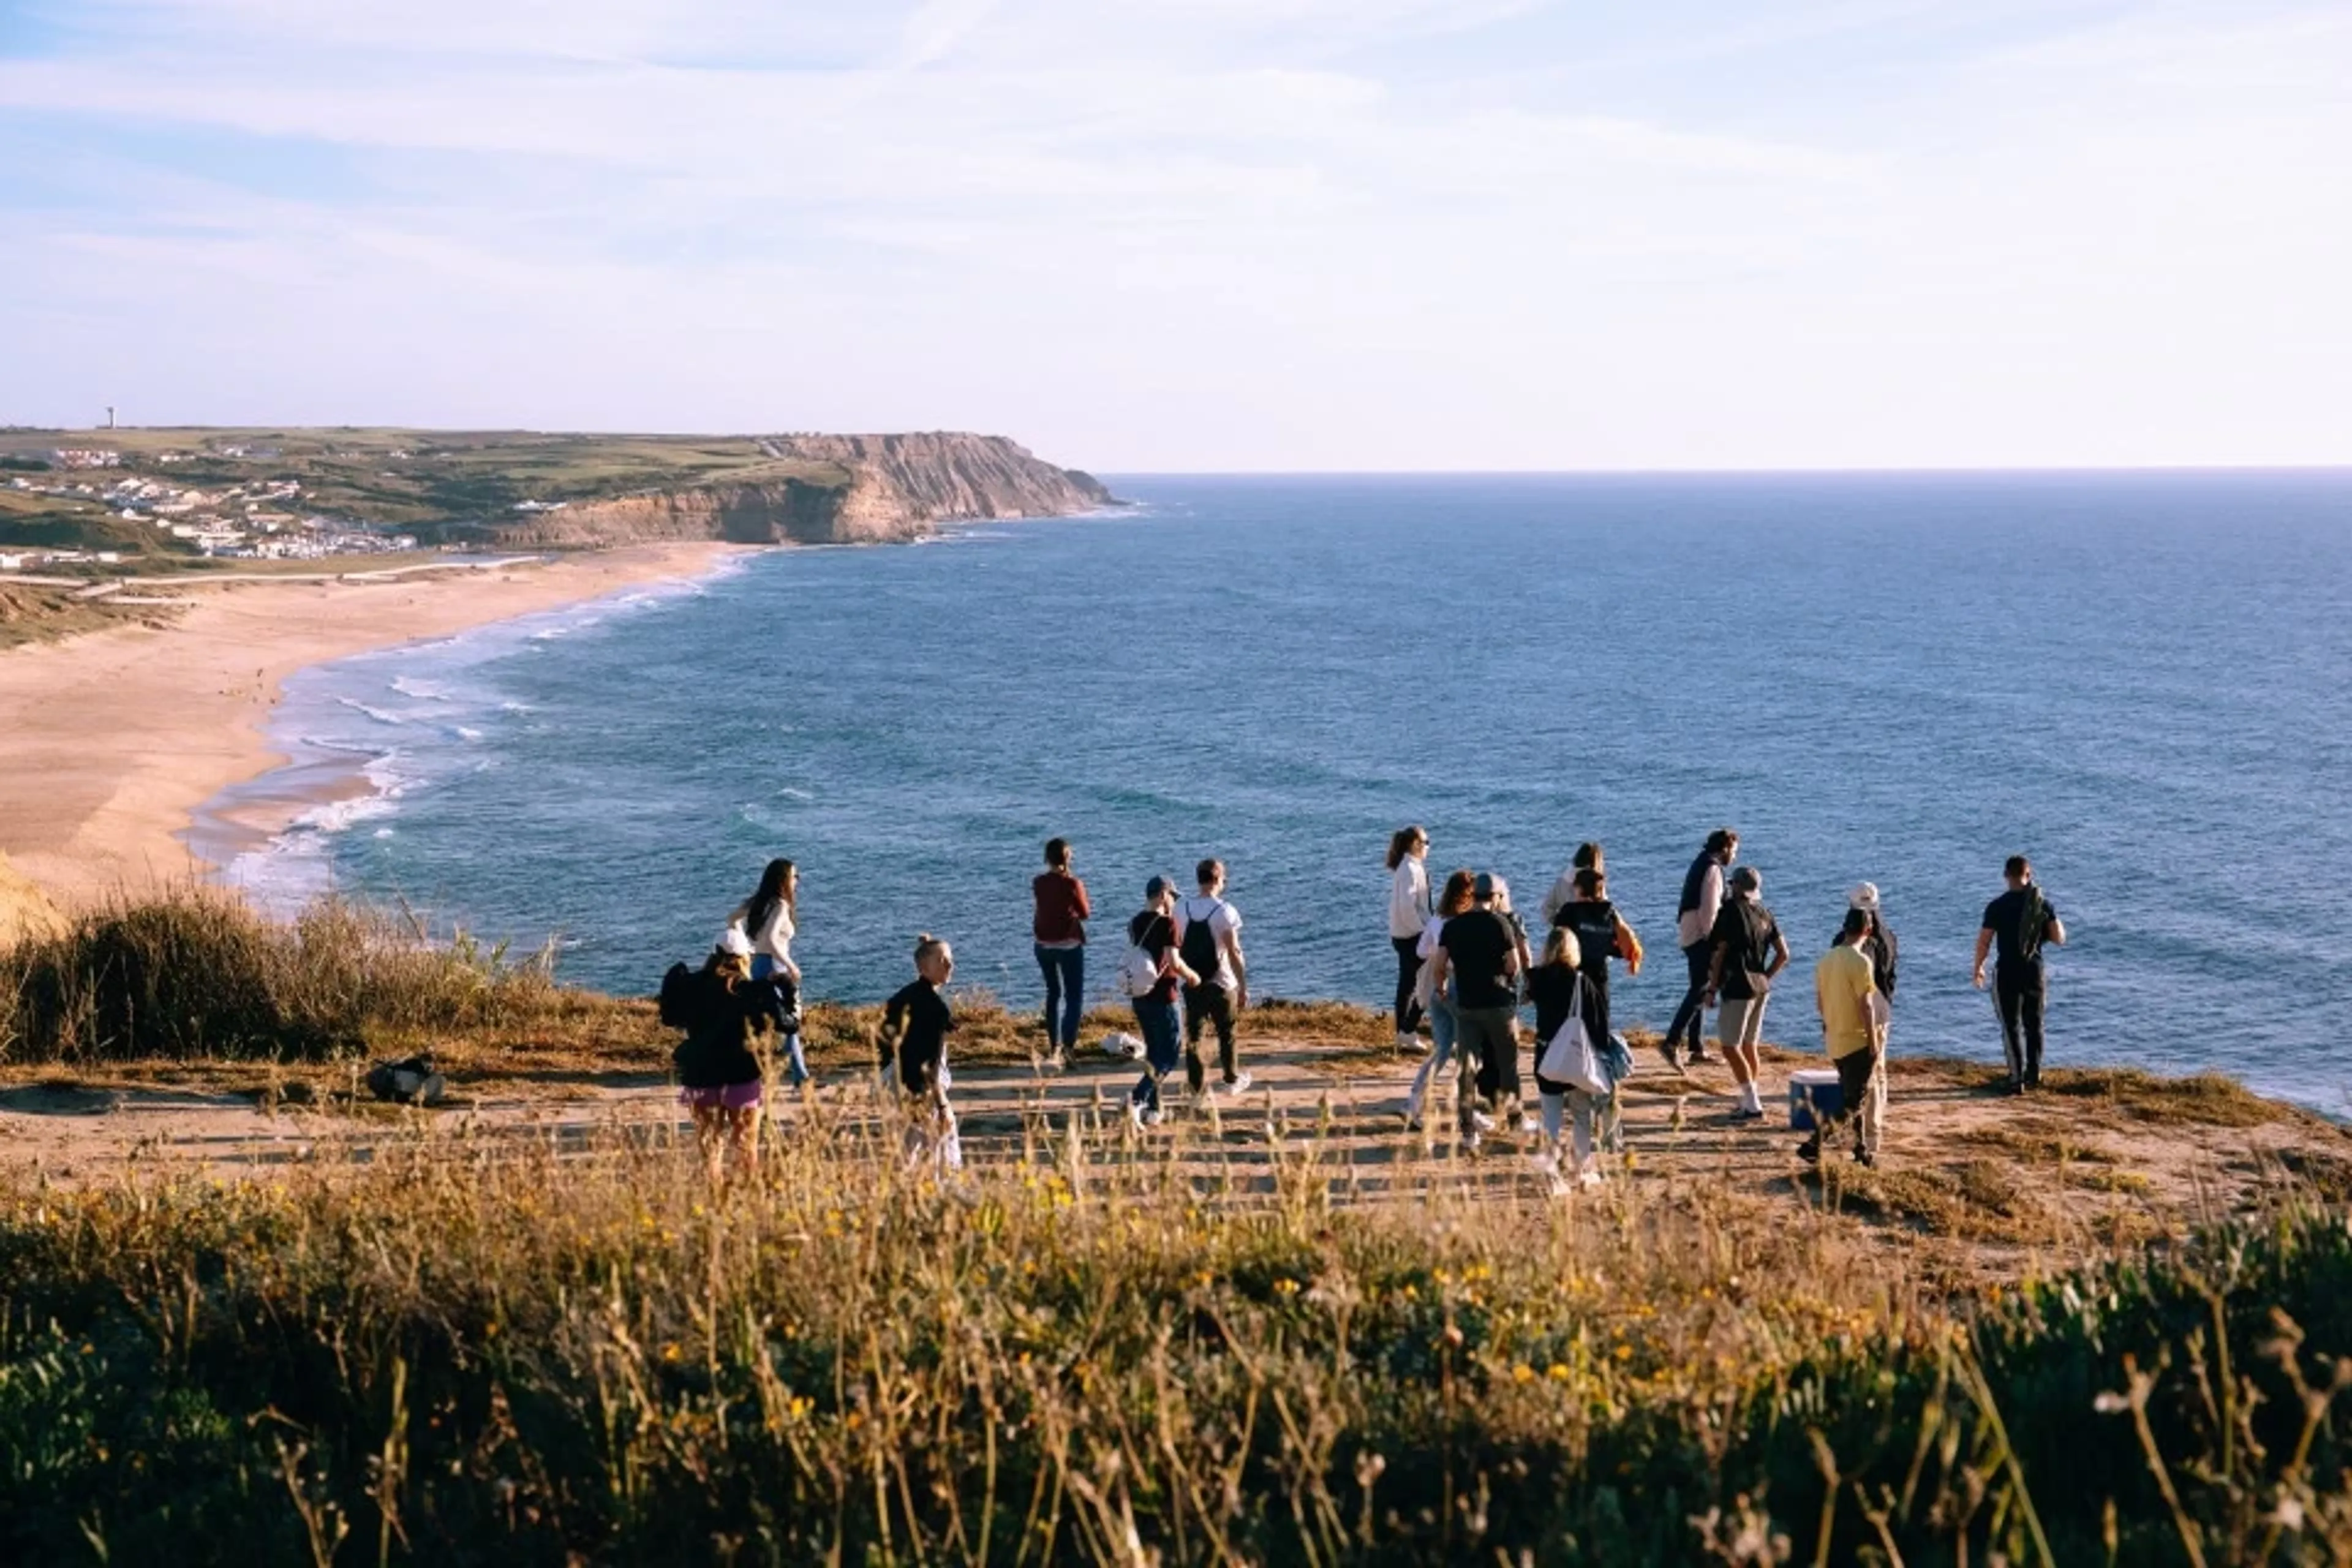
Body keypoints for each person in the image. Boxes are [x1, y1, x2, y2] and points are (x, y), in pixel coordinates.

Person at [1429, 872, 1523, 1153]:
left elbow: (1439, 964)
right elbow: (1513, 965)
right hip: (1498, 1004)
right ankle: (1515, 1119)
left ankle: (1468, 1129)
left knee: (1466, 1068)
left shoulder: (1454, 926)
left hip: (1467, 1006)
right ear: (1494, 898)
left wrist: (1442, 988)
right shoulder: (1501, 924)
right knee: (1508, 1064)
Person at [673, 946, 769, 1181]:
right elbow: (768, 1025)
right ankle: (749, 1194)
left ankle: (715, 1194)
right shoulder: (749, 992)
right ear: (745, 959)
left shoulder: (693, 989)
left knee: (709, 1140)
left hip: (701, 1073)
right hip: (741, 1072)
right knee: (746, 1141)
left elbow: (673, 1017)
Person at [1973, 855, 2066, 1094]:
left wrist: (1978, 968)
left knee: (2011, 1025)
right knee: (2034, 1023)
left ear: (2006, 876)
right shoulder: (2042, 904)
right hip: (2034, 969)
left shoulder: (1997, 906)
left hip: (2007, 970)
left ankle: (2016, 1078)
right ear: (2029, 874)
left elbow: (1984, 942)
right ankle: (2034, 1074)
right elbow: (2059, 939)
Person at [1803, 908, 1888, 1166]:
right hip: (1858, 1040)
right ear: (1868, 930)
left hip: (1836, 1040)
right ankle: (1813, 1143)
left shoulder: (1825, 961)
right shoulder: (1862, 962)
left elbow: (1820, 1003)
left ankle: (1861, 1151)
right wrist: (1874, 1042)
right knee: (1854, 1102)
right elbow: (1867, 1005)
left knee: (1854, 1096)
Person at [1705, 864, 1788, 1121]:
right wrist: (1765, 976)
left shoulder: (1730, 912)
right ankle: (1750, 1100)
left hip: (1738, 986)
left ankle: (1752, 1105)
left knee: (1730, 1046)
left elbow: (1719, 953)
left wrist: (1712, 988)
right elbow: (1784, 954)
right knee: (1749, 1045)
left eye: (1732, 885)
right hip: (1761, 986)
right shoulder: (1765, 913)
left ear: (1738, 887)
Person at [1527, 924, 1607, 1190]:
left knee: (1550, 1117)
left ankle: (1551, 1177)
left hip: (1546, 1054)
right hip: (1574, 1056)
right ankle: (1580, 1173)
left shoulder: (1536, 979)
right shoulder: (1582, 982)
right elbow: (1598, 1024)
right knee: (1582, 1114)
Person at [878, 934, 962, 1170]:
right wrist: (942, 1104)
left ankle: (900, 1193)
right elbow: (931, 1064)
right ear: (924, 968)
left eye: (950, 959)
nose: (950, 965)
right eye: (942, 960)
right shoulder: (935, 1009)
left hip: (894, 1080)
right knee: (943, 1144)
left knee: (906, 1148)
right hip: (918, 1086)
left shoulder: (905, 997)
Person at [1404, 869, 1478, 1130]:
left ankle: (1415, 1098)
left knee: (1443, 1049)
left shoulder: (1437, 920)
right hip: (1457, 986)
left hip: (1437, 988)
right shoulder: (1463, 924)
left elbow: (1421, 951)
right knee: (1469, 1050)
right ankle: (1466, 1109)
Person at [1126, 876, 1200, 1128]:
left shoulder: (1136, 922)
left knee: (1153, 1053)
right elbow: (1174, 961)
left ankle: (1154, 1108)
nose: (1173, 902)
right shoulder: (1169, 924)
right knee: (1168, 1056)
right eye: (1172, 897)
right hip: (1163, 996)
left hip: (1140, 995)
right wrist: (1193, 976)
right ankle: (1136, 1099)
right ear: (1162, 895)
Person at [726, 858, 807, 1088]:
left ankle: (793, 1074)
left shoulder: (758, 902)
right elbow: (772, 939)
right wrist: (790, 965)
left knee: (769, 1022)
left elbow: (731, 919)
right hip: (776, 968)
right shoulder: (781, 905)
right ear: (783, 880)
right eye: (794, 876)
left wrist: (744, 947)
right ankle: (800, 1077)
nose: (797, 881)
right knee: (790, 1022)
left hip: (757, 965)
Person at [1175, 858, 1251, 1098]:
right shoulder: (1225, 911)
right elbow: (1234, 952)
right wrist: (1242, 986)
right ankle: (1230, 1078)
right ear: (1218, 879)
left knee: (1194, 1035)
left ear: (1199, 878)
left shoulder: (1181, 908)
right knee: (1227, 1032)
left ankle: (1195, 1088)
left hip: (1192, 980)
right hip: (1221, 982)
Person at [1551, 865, 1645, 1054]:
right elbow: (1617, 946)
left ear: (1578, 888)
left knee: (1571, 1017)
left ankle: (1571, 1059)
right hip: (1600, 971)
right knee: (1600, 1019)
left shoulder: (1569, 911)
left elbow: (1557, 940)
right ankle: (1600, 1059)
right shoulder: (1609, 912)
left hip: (1573, 973)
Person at [1665, 829, 1739, 1068]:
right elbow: (1711, 909)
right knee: (1700, 989)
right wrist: (1714, 940)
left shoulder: (1702, 863)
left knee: (1699, 987)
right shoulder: (1713, 869)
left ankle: (1696, 1046)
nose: (1734, 857)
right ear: (1726, 848)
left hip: (1690, 932)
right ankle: (1671, 1042)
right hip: (1700, 935)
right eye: (1734, 851)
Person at [1472, 876, 1538, 1128]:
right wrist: (1528, 985)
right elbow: (1525, 956)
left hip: (1473, 994)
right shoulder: (1512, 921)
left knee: (1485, 1048)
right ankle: (1512, 1110)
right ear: (1499, 896)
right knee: (1507, 1050)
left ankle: (1490, 1093)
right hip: (1502, 993)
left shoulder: (1467, 921)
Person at [1031, 837, 1092, 1065]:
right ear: (1068, 858)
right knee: (1074, 996)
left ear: (1047, 858)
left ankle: (1053, 1046)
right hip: (1069, 945)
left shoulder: (1038, 882)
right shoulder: (1073, 884)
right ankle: (1068, 1046)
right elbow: (1085, 913)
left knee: (1053, 994)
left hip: (1043, 945)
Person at [1386, 827, 1433, 1053]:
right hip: (1410, 935)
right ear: (1415, 844)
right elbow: (1407, 906)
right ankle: (1407, 1030)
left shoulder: (1410, 867)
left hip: (1405, 933)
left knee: (1409, 984)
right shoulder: (1410, 869)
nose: (1428, 847)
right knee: (1424, 982)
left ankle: (1405, 1031)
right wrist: (1423, 932)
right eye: (1426, 842)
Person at [1846, 882, 1898, 1035]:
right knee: (1879, 1057)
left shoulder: (1846, 941)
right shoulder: (1890, 937)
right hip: (1883, 1009)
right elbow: (1891, 976)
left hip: (1857, 1015)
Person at [1539, 842, 1605, 927]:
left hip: (1568, 935)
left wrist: (1559, 926)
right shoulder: (1595, 882)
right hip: (1590, 933)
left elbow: (1546, 908)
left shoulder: (1563, 881)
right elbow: (1603, 912)